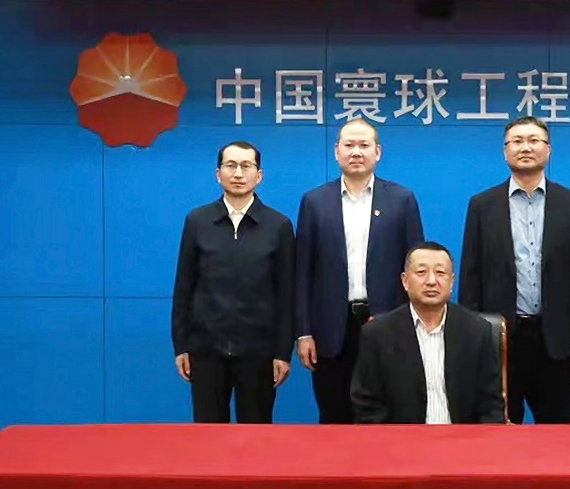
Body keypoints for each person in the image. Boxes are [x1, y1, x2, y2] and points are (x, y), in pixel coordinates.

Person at [459, 116, 570, 424]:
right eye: (517, 141)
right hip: (501, 340)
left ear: (548, 149)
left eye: (534, 140)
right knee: (500, 433)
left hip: (558, 342)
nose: (525, 147)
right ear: (505, 151)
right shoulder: (482, 205)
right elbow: (471, 277)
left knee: (557, 433)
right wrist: (472, 340)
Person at [294, 118, 424, 423]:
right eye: (349, 145)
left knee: (386, 417)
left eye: (364, 145)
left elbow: (417, 268)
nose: (356, 152)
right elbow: (303, 273)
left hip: (387, 324)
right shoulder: (314, 202)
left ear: (377, 152)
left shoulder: (401, 200)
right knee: (334, 418)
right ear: (336, 151)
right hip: (330, 330)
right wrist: (304, 332)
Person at [171, 141, 294, 423]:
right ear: (218, 174)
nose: (238, 173)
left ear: (259, 175)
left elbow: (286, 294)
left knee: (256, 434)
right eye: (231, 165)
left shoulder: (278, 226)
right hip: (206, 350)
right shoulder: (198, 221)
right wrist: (181, 345)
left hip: (259, 352)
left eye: (246, 166)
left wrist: (282, 352)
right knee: (208, 434)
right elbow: (184, 287)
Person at [351, 241, 505, 424]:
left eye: (440, 273)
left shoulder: (477, 331)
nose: (431, 281)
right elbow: (368, 407)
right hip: (401, 440)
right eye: (421, 272)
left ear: (451, 281)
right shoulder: (378, 334)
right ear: (405, 281)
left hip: (464, 439)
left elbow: (491, 406)